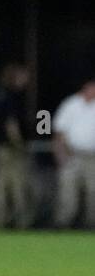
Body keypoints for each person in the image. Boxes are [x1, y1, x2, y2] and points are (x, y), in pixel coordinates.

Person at [0, 64, 32, 228]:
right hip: (11, 148)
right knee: (17, 185)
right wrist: (19, 143)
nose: (26, 80)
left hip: (1, 147)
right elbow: (10, 124)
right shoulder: (12, 96)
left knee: (1, 185)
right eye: (23, 77)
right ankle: (20, 221)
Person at [53, 79, 95, 228]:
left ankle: (91, 224)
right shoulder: (71, 104)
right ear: (85, 88)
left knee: (93, 192)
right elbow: (59, 131)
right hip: (72, 154)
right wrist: (61, 154)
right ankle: (63, 223)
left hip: (92, 157)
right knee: (68, 191)